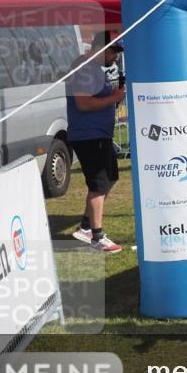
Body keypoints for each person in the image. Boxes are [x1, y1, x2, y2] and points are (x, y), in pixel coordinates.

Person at [67, 32, 127, 253]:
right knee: (99, 184)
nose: (116, 58)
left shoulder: (92, 69)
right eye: (114, 52)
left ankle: (85, 227)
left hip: (99, 135)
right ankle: (96, 237)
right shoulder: (84, 68)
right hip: (88, 135)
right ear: (102, 48)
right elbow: (83, 103)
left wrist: (112, 95)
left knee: (110, 178)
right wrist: (114, 98)